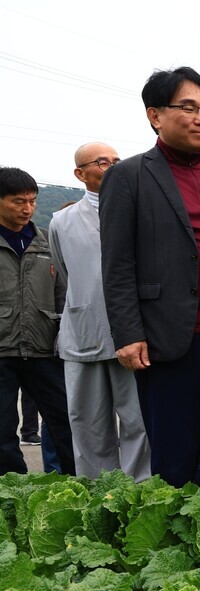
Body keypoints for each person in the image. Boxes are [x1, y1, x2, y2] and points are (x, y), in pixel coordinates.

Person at [99, 67, 200, 490]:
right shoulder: (129, 176)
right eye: (188, 108)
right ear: (155, 116)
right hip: (167, 337)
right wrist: (128, 333)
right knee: (176, 450)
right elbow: (117, 263)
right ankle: (175, 527)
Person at [48, 142, 152, 481]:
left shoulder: (141, 210)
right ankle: (98, 492)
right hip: (84, 331)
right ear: (80, 174)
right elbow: (66, 274)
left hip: (134, 333)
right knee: (87, 423)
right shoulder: (61, 221)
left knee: (139, 419)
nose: (113, 166)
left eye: (117, 160)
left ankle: (141, 490)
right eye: (103, 162)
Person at [0, 167, 76, 476]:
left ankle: (76, 485)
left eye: (32, 201)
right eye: (18, 201)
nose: (27, 208)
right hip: (2, 350)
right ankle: (12, 490)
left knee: (66, 421)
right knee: (2, 430)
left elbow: (64, 294)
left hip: (45, 349)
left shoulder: (46, 241)